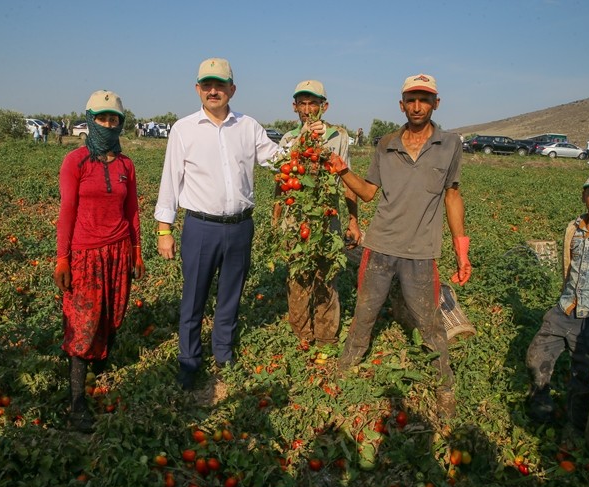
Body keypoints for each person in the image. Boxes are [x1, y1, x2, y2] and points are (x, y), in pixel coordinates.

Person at [331, 74, 471, 419]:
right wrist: (342, 170)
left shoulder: (450, 144)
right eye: (411, 99)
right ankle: (348, 361)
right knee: (365, 311)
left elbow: (452, 195)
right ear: (401, 104)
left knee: (429, 322)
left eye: (425, 99)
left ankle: (444, 383)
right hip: (380, 245)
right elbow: (367, 192)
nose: (417, 106)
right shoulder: (386, 143)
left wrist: (461, 249)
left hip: (421, 251)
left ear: (436, 103)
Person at [154, 57, 279, 391]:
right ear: (197, 89)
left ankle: (223, 354)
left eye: (220, 85)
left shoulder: (248, 127)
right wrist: (164, 229)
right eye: (207, 85)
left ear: (232, 89)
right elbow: (170, 180)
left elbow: (277, 158)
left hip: (240, 226)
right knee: (193, 297)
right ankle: (189, 361)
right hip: (200, 227)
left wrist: (306, 142)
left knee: (230, 295)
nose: (213, 91)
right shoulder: (183, 129)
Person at [54, 90, 145, 431]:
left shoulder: (126, 165)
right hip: (85, 254)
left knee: (112, 313)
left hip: (118, 249)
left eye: (114, 119)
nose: (109, 124)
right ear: (90, 120)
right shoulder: (75, 161)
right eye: (102, 118)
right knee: (83, 322)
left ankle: (103, 369)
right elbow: (67, 212)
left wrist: (137, 250)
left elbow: (132, 210)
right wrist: (63, 258)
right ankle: (77, 402)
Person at [526, 169, 589, 432]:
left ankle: (577, 425)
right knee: (536, 356)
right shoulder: (574, 228)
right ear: (584, 194)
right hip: (565, 308)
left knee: (584, 375)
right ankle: (540, 402)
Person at [272, 80, 361, 346]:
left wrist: (354, 221)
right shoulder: (288, 139)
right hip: (295, 222)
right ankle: (302, 336)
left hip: (326, 222)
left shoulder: (338, 136)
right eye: (303, 103)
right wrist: (276, 223)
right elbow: (282, 183)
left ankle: (327, 339)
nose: (308, 109)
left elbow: (347, 179)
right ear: (294, 107)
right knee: (298, 279)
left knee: (326, 278)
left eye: (314, 103)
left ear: (325, 106)